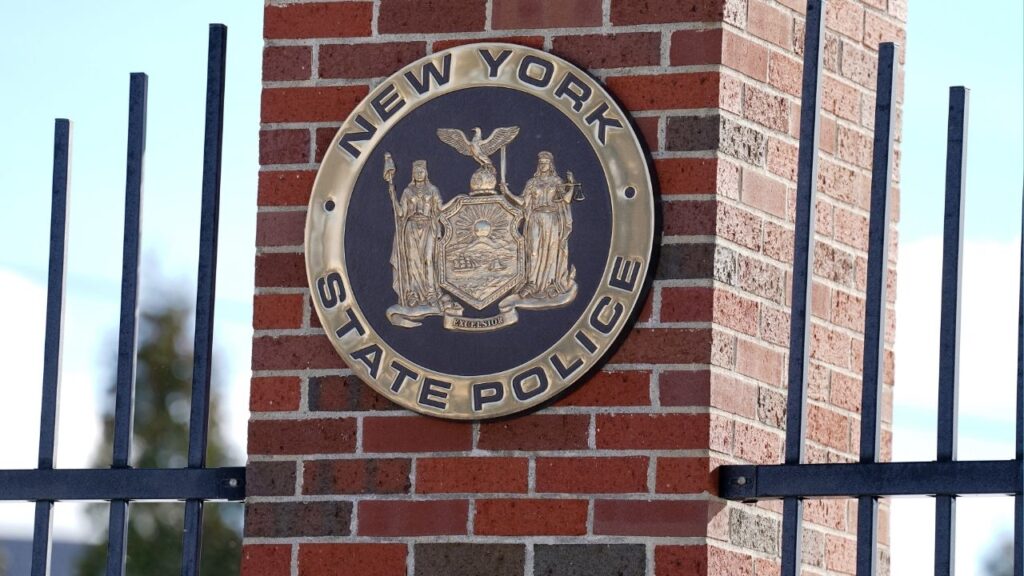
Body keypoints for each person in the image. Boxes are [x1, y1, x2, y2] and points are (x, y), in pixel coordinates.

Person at [502, 151, 574, 299]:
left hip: (552, 219)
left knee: (551, 250)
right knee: (533, 250)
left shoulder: (557, 181)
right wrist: (507, 192)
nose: (543, 165)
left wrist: (572, 185)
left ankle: (551, 284)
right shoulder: (532, 183)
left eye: (546, 162)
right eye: (541, 162)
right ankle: (531, 283)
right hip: (535, 217)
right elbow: (523, 202)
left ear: (551, 164)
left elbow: (566, 200)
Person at [391, 160, 442, 308]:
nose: (419, 174)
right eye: (416, 171)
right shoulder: (407, 192)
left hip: (428, 227)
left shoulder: (433, 190)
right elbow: (401, 213)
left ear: (426, 173)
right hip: (411, 228)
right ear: (412, 174)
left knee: (428, 260)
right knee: (412, 261)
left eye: (421, 171)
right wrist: (393, 197)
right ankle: (412, 294)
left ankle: (431, 293)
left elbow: (439, 208)